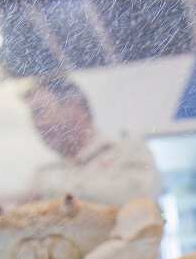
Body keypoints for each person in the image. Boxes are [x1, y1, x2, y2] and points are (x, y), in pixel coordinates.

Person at [13, 73, 163, 206]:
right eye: (33, 116)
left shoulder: (128, 151)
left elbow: (141, 199)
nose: (37, 124)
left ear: (73, 107)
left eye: (39, 112)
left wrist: (53, 195)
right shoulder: (44, 176)